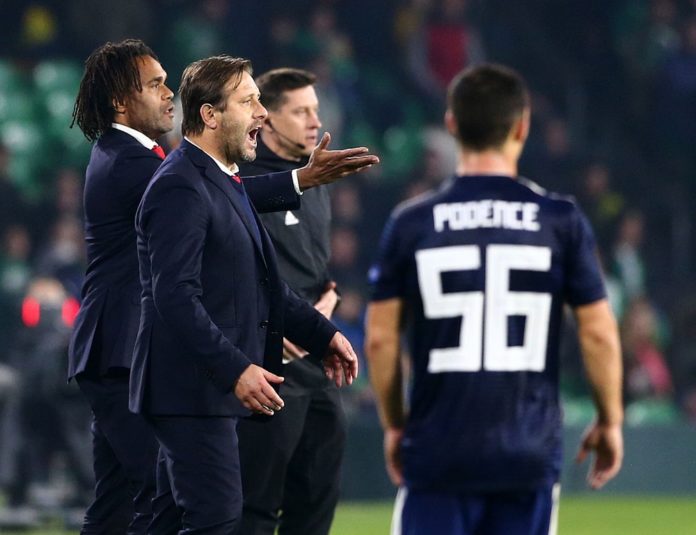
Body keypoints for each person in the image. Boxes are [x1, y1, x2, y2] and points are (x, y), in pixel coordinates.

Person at [68, 39, 377, 534]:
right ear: (120, 102)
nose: (168, 93)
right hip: (128, 346)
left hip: (131, 348)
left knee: (131, 505)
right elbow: (205, 199)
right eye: (155, 84)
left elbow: (218, 195)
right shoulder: (137, 165)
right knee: (182, 507)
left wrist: (319, 332)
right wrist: (297, 180)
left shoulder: (144, 159)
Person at [365, 63, 623, 535]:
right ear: (522, 126)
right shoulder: (560, 220)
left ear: (451, 124)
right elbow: (599, 334)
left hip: (438, 450)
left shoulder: (411, 222)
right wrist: (610, 420)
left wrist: (396, 425)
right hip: (526, 454)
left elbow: (381, 339)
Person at [236, 68, 344, 535]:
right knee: (256, 505)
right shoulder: (241, 184)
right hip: (269, 364)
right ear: (267, 119)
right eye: (300, 112)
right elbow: (230, 270)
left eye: (315, 110)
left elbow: (315, 269)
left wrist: (329, 300)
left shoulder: (318, 181)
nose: (314, 121)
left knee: (317, 499)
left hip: (316, 364)